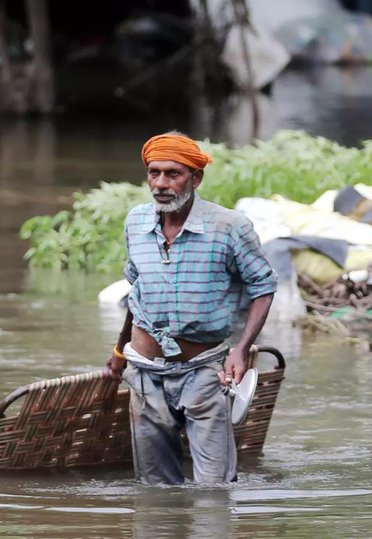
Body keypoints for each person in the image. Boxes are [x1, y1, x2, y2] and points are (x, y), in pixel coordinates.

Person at [106, 132, 277, 485]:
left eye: (173, 174)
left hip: (203, 370)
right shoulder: (136, 222)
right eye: (154, 173)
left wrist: (240, 350)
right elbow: (135, 291)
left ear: (195, 178)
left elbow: (263, 286)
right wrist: (120, 350)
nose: (161, 184)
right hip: (144, 371)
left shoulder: (230, 227)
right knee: (155, 490)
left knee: (214, 487)